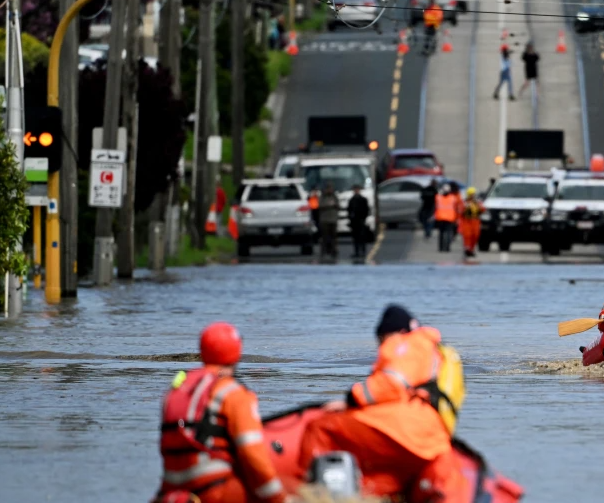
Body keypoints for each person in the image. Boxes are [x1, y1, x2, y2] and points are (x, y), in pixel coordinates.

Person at [298, 305, 467, 502]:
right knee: (383, 483)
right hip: (432, 439)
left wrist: (352, 400)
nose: (380, 347)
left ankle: (305, 493)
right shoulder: (435, 351)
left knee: (319, 427)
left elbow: (391, 383)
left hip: (405, 430)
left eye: (380, 340)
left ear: (393, 333)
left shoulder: (408, 344)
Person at [156, 322, 290, 503]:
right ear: (237, 352)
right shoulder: (232, 392)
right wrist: (279, 498)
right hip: (214, 491)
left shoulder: (176, 390)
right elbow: (253, 454)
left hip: (171, 493)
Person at [458, 187, 485, 258]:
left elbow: (483, 209)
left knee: (475, 235)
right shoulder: (464, 202)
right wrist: (465, 207)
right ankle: (467, 248)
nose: (472, 195)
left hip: (475, 221)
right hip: (467, 221)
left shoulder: (477, 202)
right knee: (467, 235)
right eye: (471, 194)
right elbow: (460, 211)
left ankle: (471, 249)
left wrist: (479, 205)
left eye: (473, 194)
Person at [318, 182, 340, 261]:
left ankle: (333, 251)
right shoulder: (322, 197)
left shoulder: (334, 197)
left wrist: (333, 205)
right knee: (325, 237)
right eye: (328, 189)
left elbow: (338, 205)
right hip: (325, 220)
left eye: (331, 189)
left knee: (333, 237)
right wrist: (329, 205)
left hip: (333, 219)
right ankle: (324, 251)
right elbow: (320, 206)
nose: (330, 190)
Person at [348, 184, 370, 262]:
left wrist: (363, 218)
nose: (356, 191)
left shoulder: (363, 199)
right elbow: (349, 210)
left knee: (362, 237)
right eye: (355, 189)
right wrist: (351, 219)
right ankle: (356, 251)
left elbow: (366, 210)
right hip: (354, 221)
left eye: (357, 189)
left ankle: (363, 251)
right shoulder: (352, 200)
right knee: (355, 238)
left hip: (361, 220)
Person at [433, 184, 458, 252]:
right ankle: (447, 247)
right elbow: (456, 208)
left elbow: (435, 207)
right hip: (450, 218)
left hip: (441, 218)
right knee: (449, 233)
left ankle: (441, 247)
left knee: (441, 233)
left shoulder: (438, 197)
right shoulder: (453, 198)